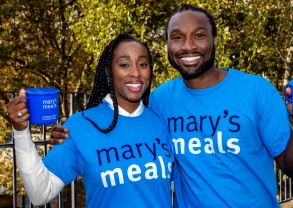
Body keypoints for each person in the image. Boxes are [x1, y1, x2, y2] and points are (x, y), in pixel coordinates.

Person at [49, 4, 293, 207]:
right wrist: (71, 135)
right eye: (177, 37)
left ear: (214, 39)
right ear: (167, 45)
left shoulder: (256, 91)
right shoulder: (160, 100)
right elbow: (123, 131)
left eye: (199, 35)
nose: (188, 46)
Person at [6, 33, 174, 208]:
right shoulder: (79, 126)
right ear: (108, 72)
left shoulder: (162, 122)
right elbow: (40, 193)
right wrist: (20, 131)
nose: (136, 73)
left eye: (143, 64)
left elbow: (178, 185)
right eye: (124, 64)